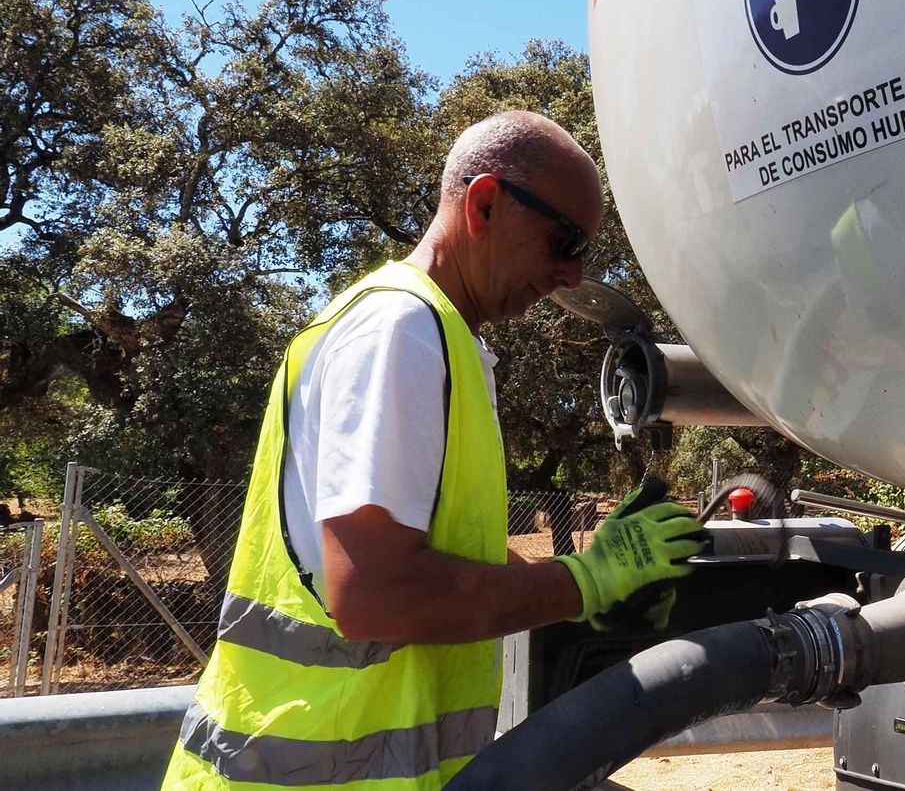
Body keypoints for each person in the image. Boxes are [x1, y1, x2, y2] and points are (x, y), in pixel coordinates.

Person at [162, 111, 705, 789]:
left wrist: (594, 578)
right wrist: (582, 586)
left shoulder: (443, 338)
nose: (571, 275)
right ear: (484, 203)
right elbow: (375, 594)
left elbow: (436, 552)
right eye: (563, 241)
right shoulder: (401, 332)